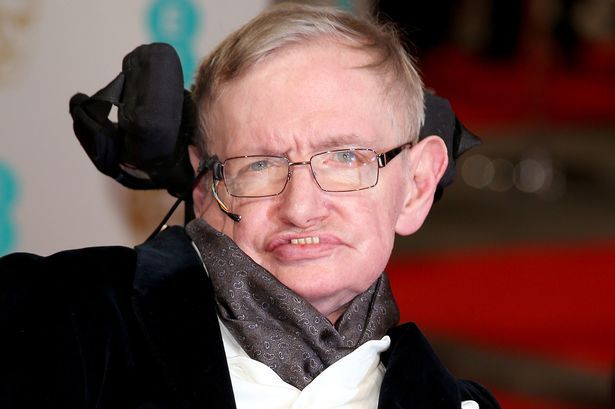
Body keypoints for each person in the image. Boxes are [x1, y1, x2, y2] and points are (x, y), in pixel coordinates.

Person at [0, 3, 500, 409]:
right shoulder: (52, 317)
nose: (301, 208)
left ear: (416, 186)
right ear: (204, 186)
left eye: (345, 157)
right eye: (259, 165)